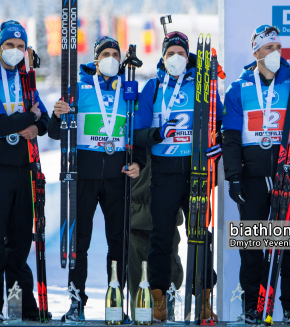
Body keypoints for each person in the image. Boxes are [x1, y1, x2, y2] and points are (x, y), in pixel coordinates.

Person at [221, 25, 290, 324]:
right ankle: (251, 306)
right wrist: (234, 177)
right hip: (252, 178)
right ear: (256, 53)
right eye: (268, 48)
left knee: (289, 244)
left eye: (278, 47)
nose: (275, 53)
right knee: (251, 245)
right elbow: (231, 137)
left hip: (286, 176)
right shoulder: (239, 88)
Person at [48, 36, 145, 321]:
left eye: (116, 53)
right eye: (106, 53)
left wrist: (138, 161)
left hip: (118, 177)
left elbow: (137, 133)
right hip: (85, 175)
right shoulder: (79, 89)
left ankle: (116, 299)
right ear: (96, 58)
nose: (112, 58)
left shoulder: (128, 91)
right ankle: (77, 301)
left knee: (118, 241)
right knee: (81, 241)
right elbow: (55, 133)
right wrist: (57, 115)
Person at [133, 31, 223, 322]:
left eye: (181, 54)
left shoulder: (203, 84)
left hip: (196, 170)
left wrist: (216, 147)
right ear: (162, 57)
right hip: (165, 171)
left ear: (189, 57)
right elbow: (139, 132)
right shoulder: (153, 88)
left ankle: (204, 298)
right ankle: (159, 301)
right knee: (161, 237)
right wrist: (159, 134)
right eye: (170, 53)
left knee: (200, 235)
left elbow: (219, 123)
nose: (176, 58)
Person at [0, 20, 50, 321]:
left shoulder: (25, 79)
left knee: (19, 241)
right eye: (10, 46)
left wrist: (36, 123)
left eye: (20, 47)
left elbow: (46, 122)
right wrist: (31, 117)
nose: (15, 51)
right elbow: (0, 124)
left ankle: (20, 306)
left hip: (23, 168)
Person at [129, 150, 184, 319]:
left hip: (163, 221)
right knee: (142, 300)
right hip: (139, 223)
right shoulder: (136, 129)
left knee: (164, 294)